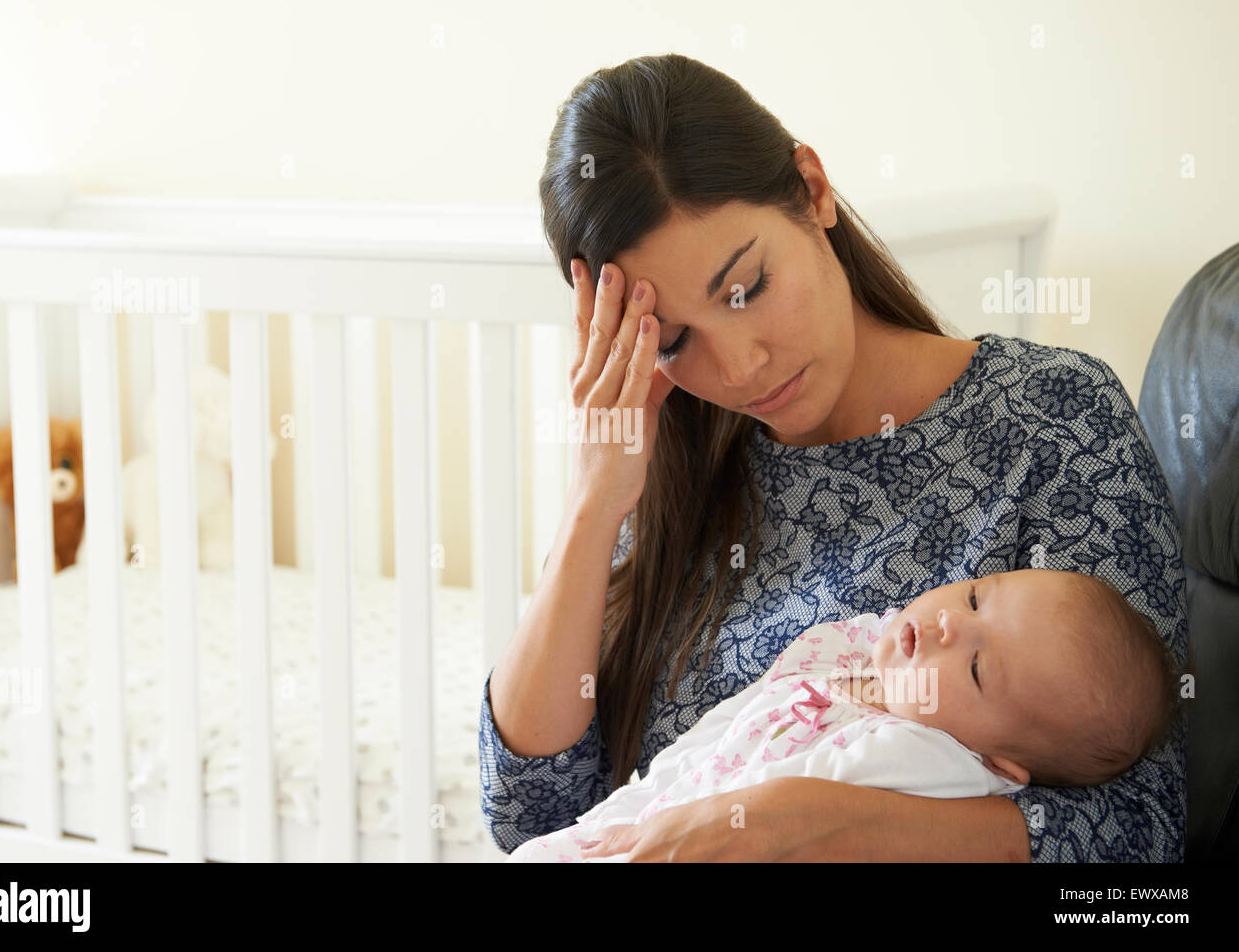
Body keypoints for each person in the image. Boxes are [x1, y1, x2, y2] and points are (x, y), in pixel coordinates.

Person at [479, 54, 1187, 861]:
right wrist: (592, 504)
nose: (740, 366)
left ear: (812, 189)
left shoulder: (1055, 420)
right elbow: (529, 815)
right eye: (673, 341)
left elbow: (1143, 844)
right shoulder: (658, 477)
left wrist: (830, 825)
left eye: (746, 287)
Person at [504, 568, 1182, 862]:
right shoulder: (860, 652)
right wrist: (624, 813)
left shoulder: (932, 759)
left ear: (1001, 766)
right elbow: (720, 732)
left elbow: (785, 816)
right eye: (975, 598)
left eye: (978, 669)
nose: (947, 626)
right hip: (640, 822)